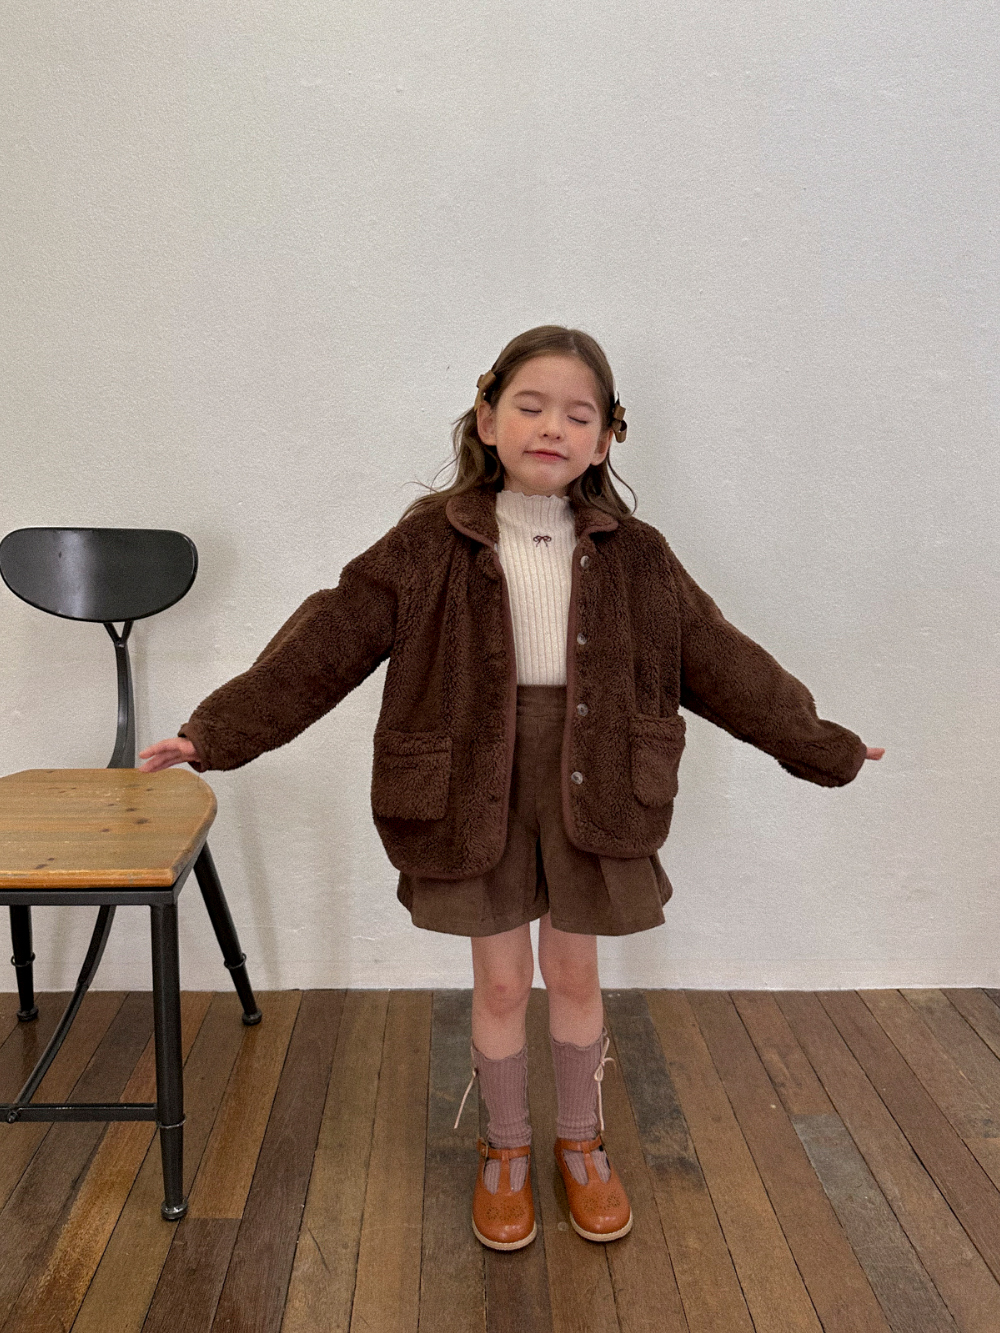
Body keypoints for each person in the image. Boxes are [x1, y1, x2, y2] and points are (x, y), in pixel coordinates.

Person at [139, 324, 884, 1251]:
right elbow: (327, 639)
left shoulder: (641, 555)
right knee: (499, 982)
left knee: (573, 971)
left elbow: (722, 659)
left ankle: (581, 1141)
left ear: (606, 438)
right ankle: (505, 1146)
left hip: (596, 784)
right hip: (469, 787)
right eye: (530, 406)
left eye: (578, 414)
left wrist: (820, 743)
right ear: (487, 418)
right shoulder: (427, 543)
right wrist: (216, 732)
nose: (552, 427)